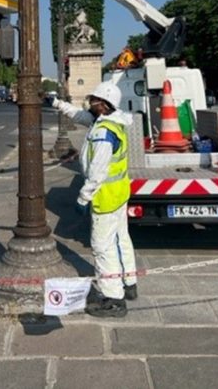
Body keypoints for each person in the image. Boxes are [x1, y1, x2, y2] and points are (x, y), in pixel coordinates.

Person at [51, 81, 137, 317]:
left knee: (102, 247)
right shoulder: (113, 122)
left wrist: (83, 198)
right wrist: (56, 103)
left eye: (93, 100)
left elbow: (98, 172)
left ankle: (113, 298)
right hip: (120, 192)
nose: (89, 103)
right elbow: (79, 116)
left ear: (103, 104)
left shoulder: (102, 133)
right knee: (121, 238)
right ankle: (129, 282)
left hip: (105, 197)